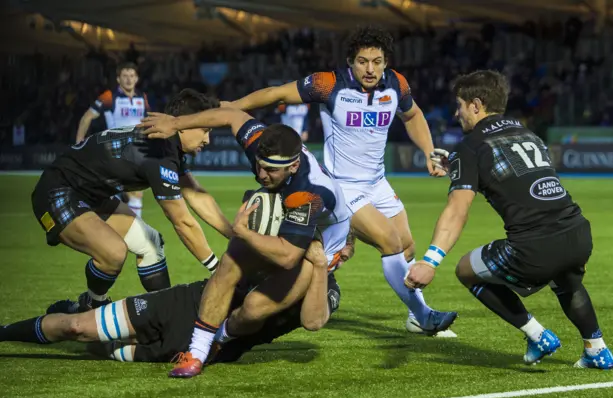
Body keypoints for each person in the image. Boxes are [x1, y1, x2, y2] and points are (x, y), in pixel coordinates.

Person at [222, 25, 457, 337]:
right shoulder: (328, 84)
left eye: (376, 61)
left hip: (377, 182)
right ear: (351, 61)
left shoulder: (396, 84)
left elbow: (412, 116)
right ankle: (424, 316)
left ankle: (327, 266)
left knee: (408, 247)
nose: (370, 69)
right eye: (362, 61)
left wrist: (428, 151)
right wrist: (229, 109)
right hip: (342, 187)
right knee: (391, 242)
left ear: (386, 61)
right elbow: (276, 93)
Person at [404, 70, 613, 369]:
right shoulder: (527, 133)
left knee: (467, 270)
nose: (457, 112)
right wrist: (456, 165)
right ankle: (597, 349)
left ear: (476, 105)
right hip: (578, 234)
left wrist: (430, 261)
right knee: (566, 279)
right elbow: (516, 175)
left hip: (535, 246)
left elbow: (457, 210)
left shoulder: (472, 146)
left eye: (460, 105)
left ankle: (537, 334)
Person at [139, 106, 353, 378]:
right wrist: (175, 122)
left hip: (317, 246)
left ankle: (221, 337)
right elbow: (231, 116)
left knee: (252, 310)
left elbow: (288, 256)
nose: (262, 175)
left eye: (271, 171)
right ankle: (197, 351)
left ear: (294, 166)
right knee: (230, 261)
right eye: (260, 166)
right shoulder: (263, 144)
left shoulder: (308, 193)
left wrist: (243, 232)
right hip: (286, 215)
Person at [32, 89, 231, 314]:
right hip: (57, 191)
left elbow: (196, 194)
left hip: (91, 195)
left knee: (151, 244)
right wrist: (218, 270)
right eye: (205, 130)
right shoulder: (159, 153)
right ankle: (92, 309)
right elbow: (183, 223)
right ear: (184, 124)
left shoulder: (166, 143)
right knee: (113, 252)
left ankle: (162, 317)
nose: (208, 139)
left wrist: (234, 234)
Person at [0, 267, 340, 364]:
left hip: (216, 350)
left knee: (102, 350)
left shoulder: (328, 292)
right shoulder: (283, 245)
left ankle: (84, 316)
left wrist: (320, 264)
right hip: (187, 304)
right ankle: (4, 332)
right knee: (77, 330)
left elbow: (312, 320)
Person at [76, 62, 150, 217]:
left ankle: (125, 228)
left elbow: (147, 122)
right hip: (115, 150)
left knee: (132, 193)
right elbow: (86, 117)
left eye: (131, 76)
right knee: (133, 193)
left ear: (136, 78)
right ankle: (135, 231)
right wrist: (79, 143)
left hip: (137, 150)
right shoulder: (110, 97)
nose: (128, 80)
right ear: (118, 79)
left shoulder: (142, 98)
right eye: (125, 76)